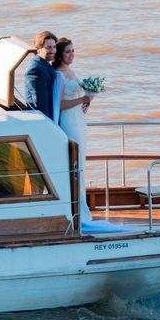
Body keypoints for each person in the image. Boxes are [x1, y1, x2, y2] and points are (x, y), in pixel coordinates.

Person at [52, 38, 93, 223]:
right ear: (60, 54)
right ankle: (75, 209)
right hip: (69, 122)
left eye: (73, 51)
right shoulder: (58, 75)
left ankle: (80, 205)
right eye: (68, 51)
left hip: (79, 121)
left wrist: (87, 101)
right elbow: (60, 105)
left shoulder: (71, 71)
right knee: (74, 164)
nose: (71, 55)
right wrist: (82, 99)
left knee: (82, 164)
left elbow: (78, 99)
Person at [24, 31, 57, 120]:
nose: (53, 51)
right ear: (39, 49)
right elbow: (40, 104)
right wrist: (50, 125)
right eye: (48, 48)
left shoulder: (43, 63)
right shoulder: (36, 70)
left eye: (54, 47)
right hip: (44, 119)